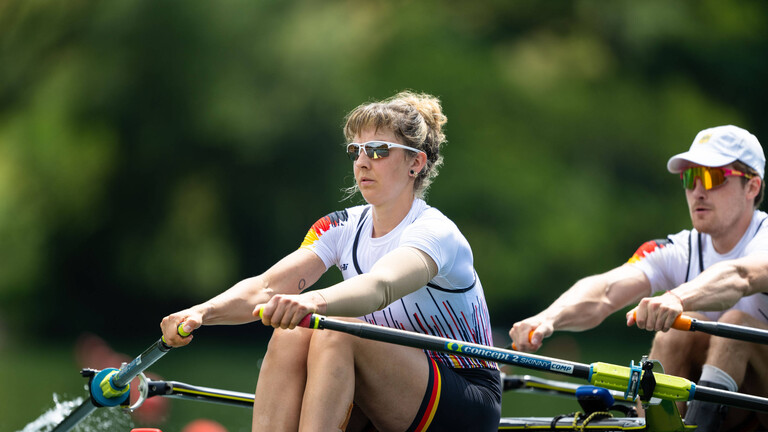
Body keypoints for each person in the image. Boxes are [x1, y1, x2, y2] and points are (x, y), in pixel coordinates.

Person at [161, 91, 501, 432]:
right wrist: (202, 313)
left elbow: (381, 286)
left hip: (465, 394)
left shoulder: (436, 232)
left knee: (335, 328)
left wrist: (312, 301)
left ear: (416, 163)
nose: (362, 162)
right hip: (385, 384)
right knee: (293, 332)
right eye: (356, 151)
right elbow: (267, 287)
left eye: (378, 150)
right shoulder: (339, 226)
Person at [509, 125, 768, 432]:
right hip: (733, 407)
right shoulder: (679, 249)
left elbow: (740, 277)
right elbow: (605, 291)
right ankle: (655, 424)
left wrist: (677, 297)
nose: (698, 191)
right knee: (676, 332)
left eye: (713, 177)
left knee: (735, 325)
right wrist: (548, 318)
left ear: (751, 187)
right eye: (690, 178)